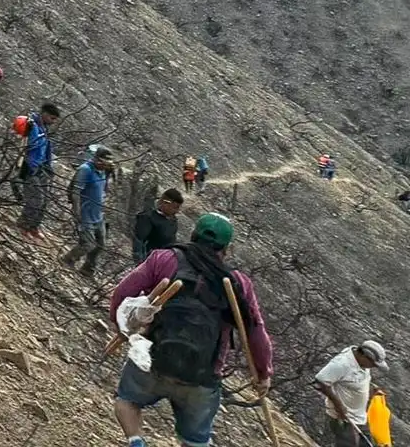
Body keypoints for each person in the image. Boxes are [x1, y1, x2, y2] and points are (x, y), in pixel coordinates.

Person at [109, 213, 273, 447]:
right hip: (201, 377)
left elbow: (122, 295)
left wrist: (122, 326)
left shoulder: (164, 259)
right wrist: (263, 372)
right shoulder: (237, 282)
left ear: (193, 234)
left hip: (153, 360)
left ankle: (136, 441)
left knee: (127, 401)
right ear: (226, 248)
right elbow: (255, 332)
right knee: (195, 440)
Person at [316, 341, 390, 447]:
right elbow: (321, 381)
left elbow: (353, 382)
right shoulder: (342, 364)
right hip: (344, 419)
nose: (373, 366)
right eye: (373, 363)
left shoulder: (362, 363)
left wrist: (371, 392)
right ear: (364, 355)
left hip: (359, 418)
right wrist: (338, 405)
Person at [63, 145, 116, 277]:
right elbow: (75, 191)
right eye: (104, 162)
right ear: (97, 159)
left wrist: (109, 173)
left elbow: (104, 188)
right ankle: (68, 259)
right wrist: (76, 211)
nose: (106, 165)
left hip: (98, 214)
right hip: (85, 213)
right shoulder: (85, 170)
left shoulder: (104, 171)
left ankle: (88, 269)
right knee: (88, 244)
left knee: (101, 244)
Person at [15, 103, 63, 241]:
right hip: (31, 167)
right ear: (45, 114)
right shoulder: (33, 126)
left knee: (44, 200)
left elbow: (46, 148)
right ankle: (23, 224)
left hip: (41, 168)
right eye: (52, 118)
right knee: (35, 199)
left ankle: (33, 226)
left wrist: (48, 167)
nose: (53, 122)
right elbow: (30, 145)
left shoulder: (44, 129)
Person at [133, 189, 184, 261]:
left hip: (165, 260)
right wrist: (141, 261)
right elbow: (139, 241)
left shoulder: (172, 219)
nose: (177, 211)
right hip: (150, 261)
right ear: (165, 203)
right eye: (174, 207)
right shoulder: (148, 217)